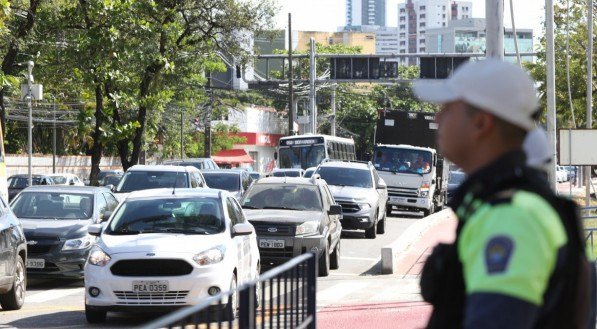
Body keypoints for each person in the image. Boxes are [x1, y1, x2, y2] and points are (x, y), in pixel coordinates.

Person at [414, 59, 595, 329]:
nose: (438, 117)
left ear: (481, 123)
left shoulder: (512, 217)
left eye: (448, 107)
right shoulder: (509, 204)